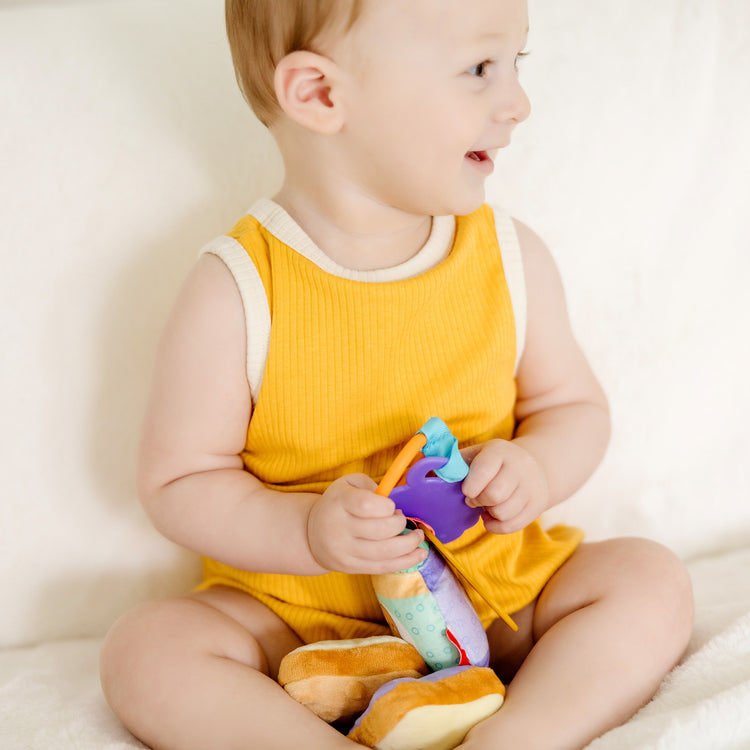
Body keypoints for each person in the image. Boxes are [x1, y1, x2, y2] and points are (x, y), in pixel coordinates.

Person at [99, 1, 694, 748]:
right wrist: (308, 531)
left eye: (517, 63)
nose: (517, 102)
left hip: (498, 602)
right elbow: (180, 484)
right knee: (147, 650)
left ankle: (522, 735)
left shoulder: (509, 257)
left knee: (650, 579)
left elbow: (574, 406)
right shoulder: (239, 288)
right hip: (304, 625)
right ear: (320, 94)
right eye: (480, 69)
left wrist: (532, 468)